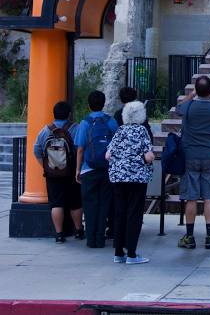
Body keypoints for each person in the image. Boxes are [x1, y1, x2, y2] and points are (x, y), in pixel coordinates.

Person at [175, 75, 210, 250]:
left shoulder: (188, 108)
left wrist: (191, 95)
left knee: (191, 197)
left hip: (190, 156)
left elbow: (178, 108)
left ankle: (189, 236)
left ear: (197, 90)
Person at [106, 100, 155, 264]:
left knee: (119, 212)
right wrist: (148, 158)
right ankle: (132, 254)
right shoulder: (142, 131)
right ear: (141, 114)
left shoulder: (119, 130)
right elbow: (148, 156)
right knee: (134, 213)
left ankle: (118, 252)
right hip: (137, 178)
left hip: (118, 177)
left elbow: (108, 155)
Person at [33, 100, 84, 243]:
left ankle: (59, 234)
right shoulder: (76, 128)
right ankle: (79, 230)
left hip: (53, 173)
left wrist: (46, 167)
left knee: (56, 203)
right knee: (75, 202)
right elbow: (80, 149)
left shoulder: (45, 130)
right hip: (72, 172)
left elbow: (36, 150)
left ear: (54, 114)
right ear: (69, 114)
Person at [74, 90, 118, 248]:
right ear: (103, 103)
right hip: (107, 170)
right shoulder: (111, 122)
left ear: (89, 104)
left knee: (90, 205)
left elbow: (80, 149)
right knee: (104, 204)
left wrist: (77, 170)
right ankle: (100, 238)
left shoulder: (85, 123)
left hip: (88, 170)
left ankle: (90, 239)